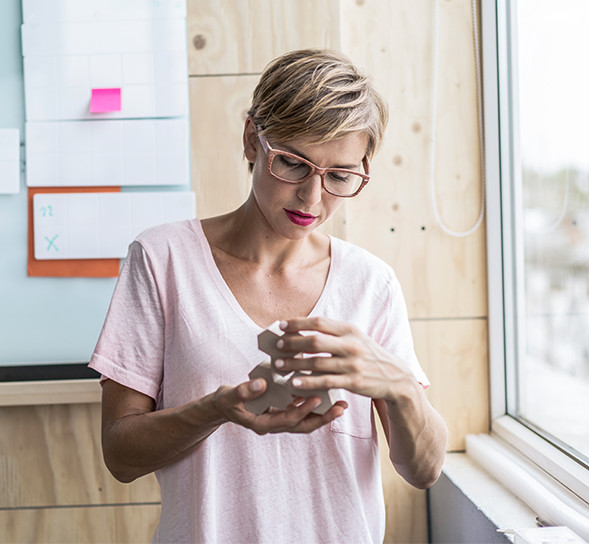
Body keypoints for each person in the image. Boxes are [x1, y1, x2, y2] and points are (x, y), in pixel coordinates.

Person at [89, 48, 448, 544]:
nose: (312, 199)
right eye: (293, 165)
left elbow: (422, 471)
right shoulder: (162, 259)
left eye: (339, 176)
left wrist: (400, 387)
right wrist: (215, 409)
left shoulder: (371, 283)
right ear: (251, 141)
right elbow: (120, 456)